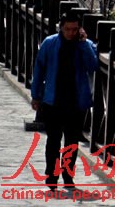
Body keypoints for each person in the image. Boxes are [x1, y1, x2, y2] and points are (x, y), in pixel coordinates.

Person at [31, 11, 98, 191]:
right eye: (67, 29)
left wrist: (84, 44)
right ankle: (52, 176)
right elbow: (39, 69)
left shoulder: (86, 45)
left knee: (71, 142)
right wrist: (35, 95)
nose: (71, 33)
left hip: (76, 101)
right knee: (53, 140)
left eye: (74, 29)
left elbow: (93, 65)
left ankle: (68, 176)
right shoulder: (50, 43)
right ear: (61, 27)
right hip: (53, 100)